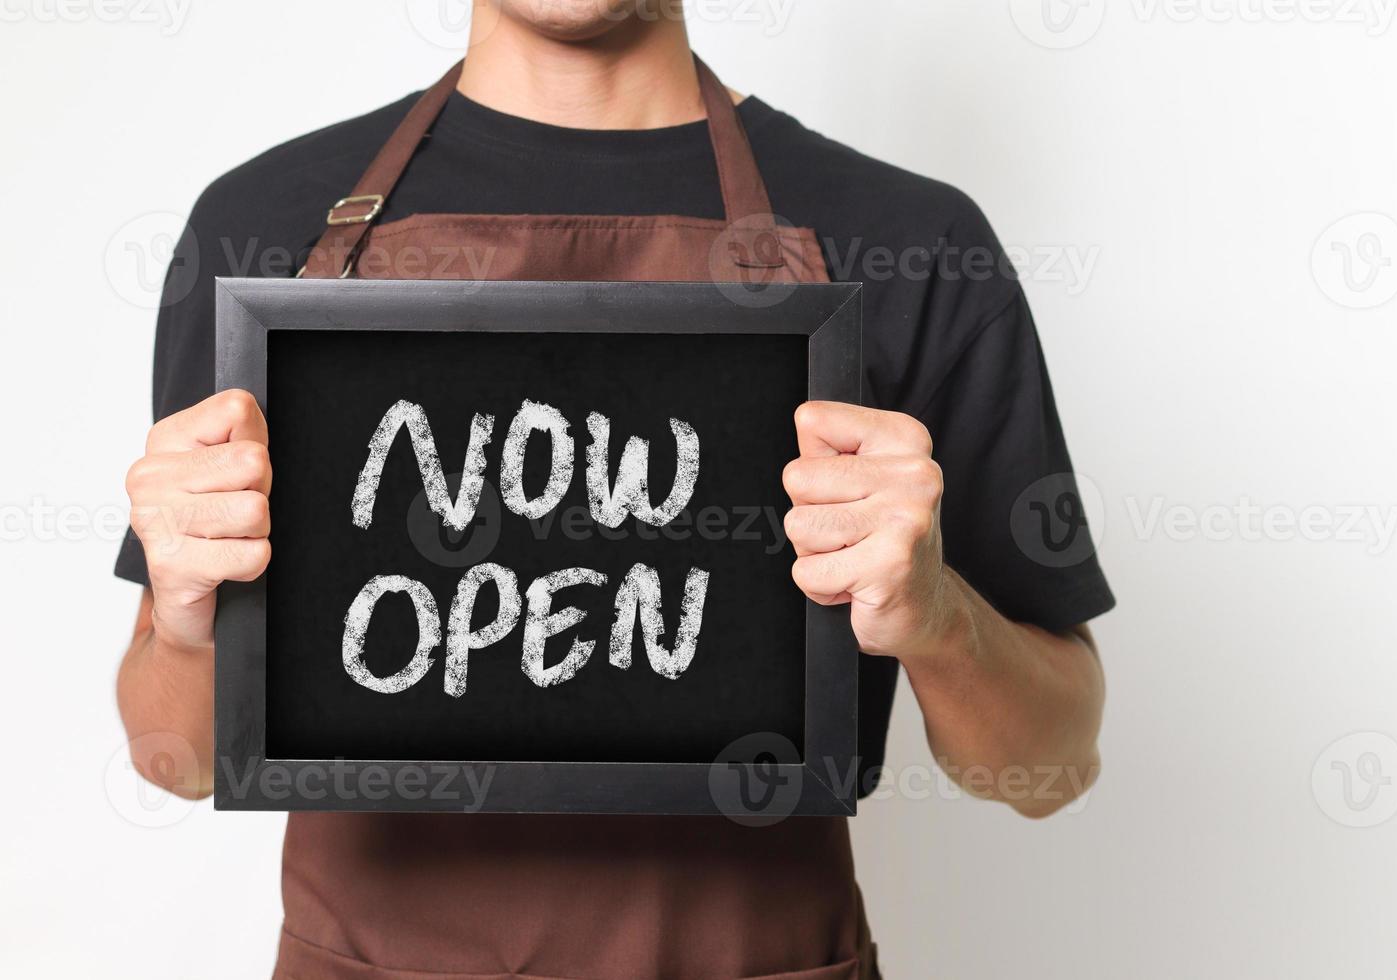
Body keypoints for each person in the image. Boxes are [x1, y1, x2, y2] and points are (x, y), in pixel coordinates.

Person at [112, 2, 1112, 976]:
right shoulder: (263, 225)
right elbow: (176, 757)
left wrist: (937, 615)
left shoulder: (911, 239)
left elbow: (1049, 767)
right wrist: (192, 619)